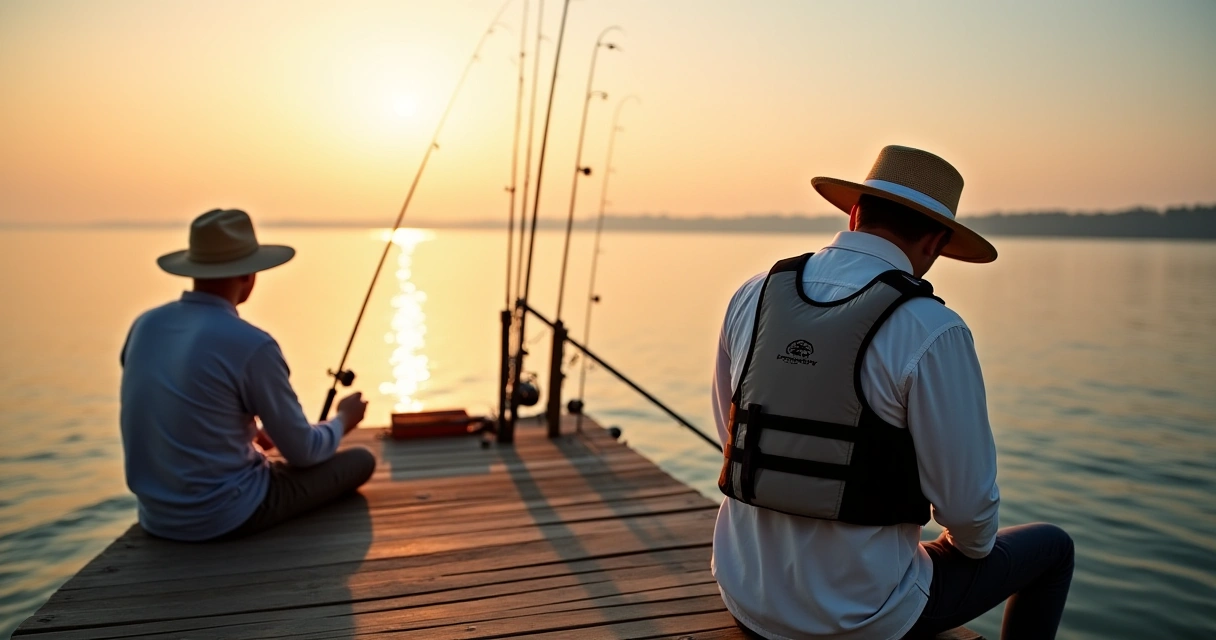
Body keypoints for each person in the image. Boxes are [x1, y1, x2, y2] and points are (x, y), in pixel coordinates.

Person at [711, 146, 1074, 640]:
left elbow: (730, 433)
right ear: (937, 241)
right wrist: (955, 547)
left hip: (747, 597)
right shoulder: (931, 328)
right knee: (1053, 549)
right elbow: (969, 514)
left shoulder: (752, 295)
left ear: (856, 212)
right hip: (864, 618)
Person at [119, 208, 376, 542]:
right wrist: (344, 418)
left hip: (157, 517)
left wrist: (253, 433)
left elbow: (178, 403)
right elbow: (304, 452)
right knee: (360, 460)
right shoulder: (252, 344)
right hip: (224, 515)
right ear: (249, 275)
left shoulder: (145, 325)